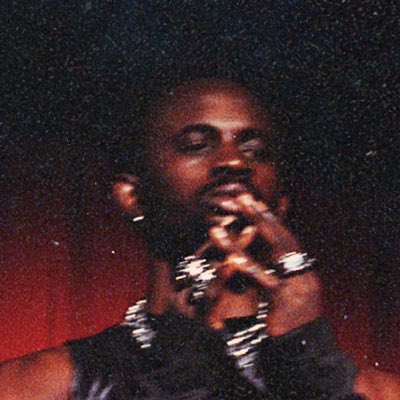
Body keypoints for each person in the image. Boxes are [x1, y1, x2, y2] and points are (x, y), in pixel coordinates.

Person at [0, 78, 399, 399]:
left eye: (256, 150)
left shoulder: (371, 390)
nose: (234, 161)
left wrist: (316, 372)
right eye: (196, 145)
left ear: (279, 204)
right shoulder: (41, 385)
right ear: (132, 196)